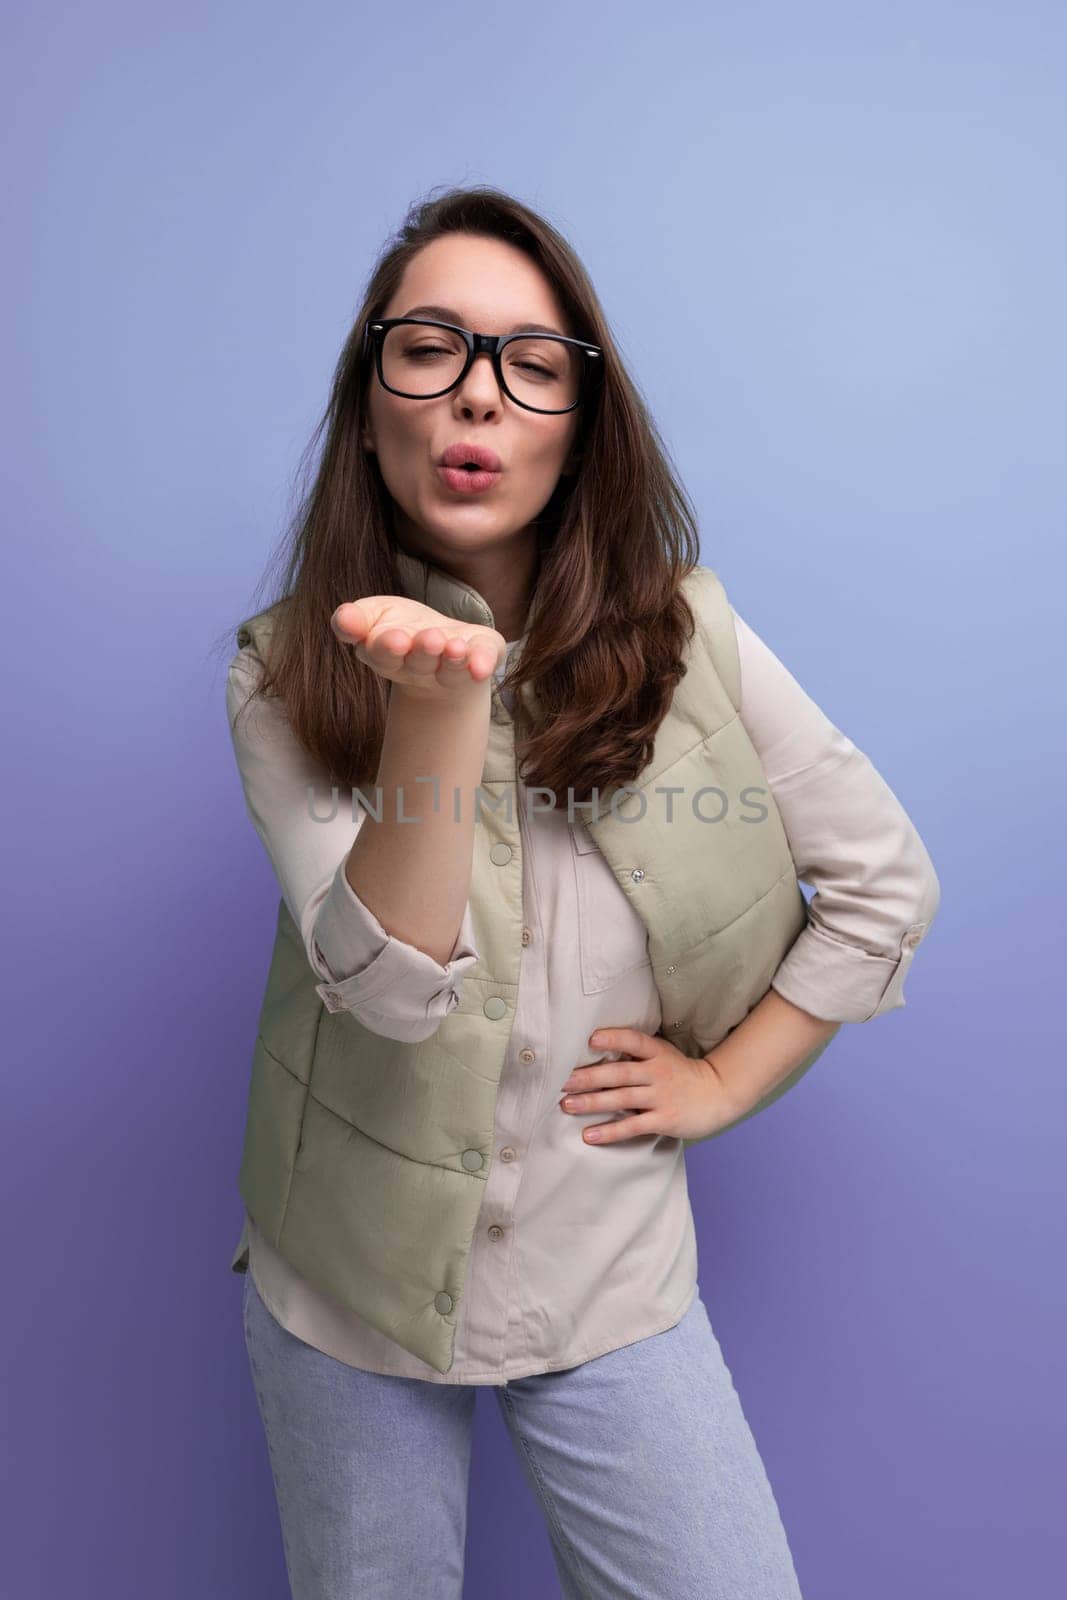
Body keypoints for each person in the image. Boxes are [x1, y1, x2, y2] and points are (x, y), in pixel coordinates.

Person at [224, 185, 940, 1599]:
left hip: (605, 1268)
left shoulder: (690, 639)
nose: (475, 399)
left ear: (579, 427)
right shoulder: (280, 670)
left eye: (531, 365)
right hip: (346, 1280)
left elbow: (882, 885)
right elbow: (385, 990)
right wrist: (434, 717)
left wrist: (725, 1084)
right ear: (369, 408)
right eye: (427, 349)